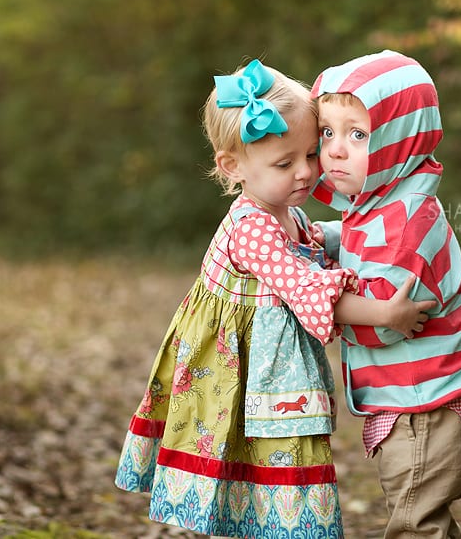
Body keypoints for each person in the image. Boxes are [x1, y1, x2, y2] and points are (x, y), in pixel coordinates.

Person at [115, 59, 433, 538]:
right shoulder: (251, 227)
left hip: (270, 369)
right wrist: (386, 312)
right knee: (270, 468)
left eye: (310, 153)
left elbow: (322, 239)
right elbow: (306, 286)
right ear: (232, 166)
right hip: (240, 375)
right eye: (285, 163)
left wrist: (368, 230)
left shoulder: (285, 210)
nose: (307, 172)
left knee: (276, 472)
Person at [310, 49, 461, 538]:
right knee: (419, 516)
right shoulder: (381, 203)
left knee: (414, 523)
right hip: (414, 395)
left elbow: (386, 323)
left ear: (399, 138)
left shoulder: (407, 224)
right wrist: (326, 239)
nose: (334, 150)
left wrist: (315, 294)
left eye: (357, 134)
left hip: (428, 401)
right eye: (327, 132)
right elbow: (358, 242)